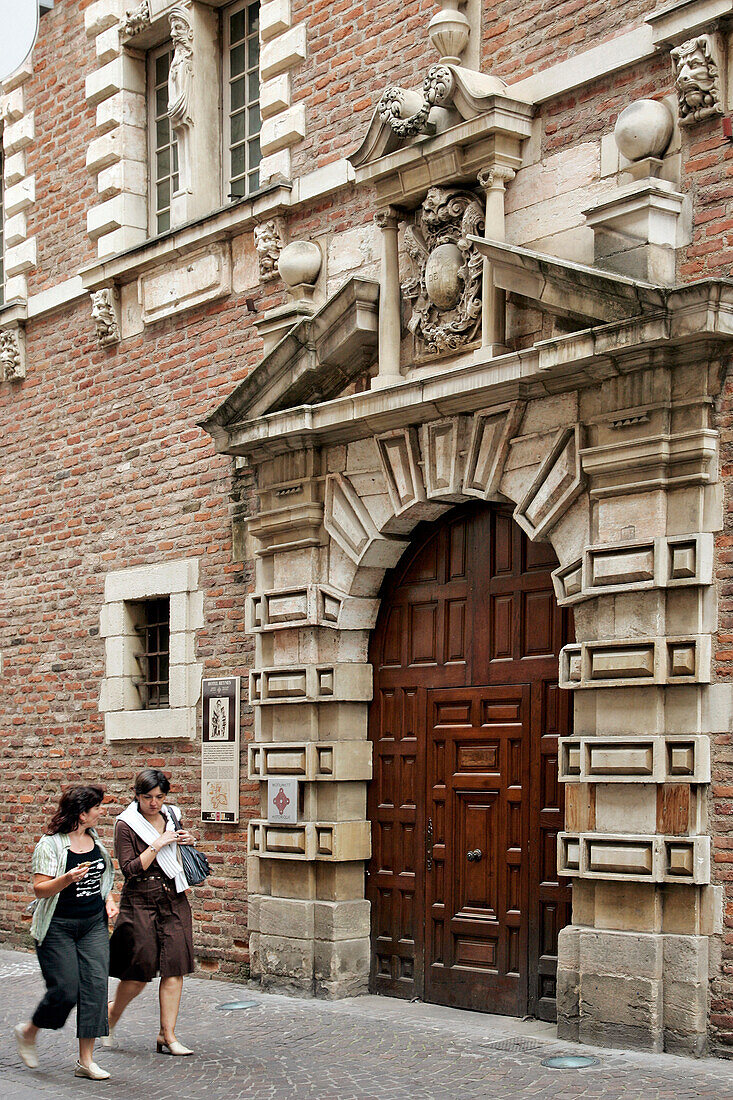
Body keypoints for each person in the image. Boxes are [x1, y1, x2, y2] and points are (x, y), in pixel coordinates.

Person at [14, 784, 118, 1081]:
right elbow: (40, 888)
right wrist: (67, 878)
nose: (101, 811)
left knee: (96, 987)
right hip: (57, 927)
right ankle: (29, 1031)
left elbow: (103, 877)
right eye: (97, 807)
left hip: (93, 924)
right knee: (65, 990)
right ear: (82, 813)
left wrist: (109, 900)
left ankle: (86, 1060)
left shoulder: (95, 840)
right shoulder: (51, 844)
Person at [107, 768, 197, 1056]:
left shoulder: (171, 816)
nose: (154, 803)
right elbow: (129, 869)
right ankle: (110, 1016)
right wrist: (157, 845)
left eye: (159, 797)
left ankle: (166, 1035)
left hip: (174, 897)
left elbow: (179, 853)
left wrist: (188, 840)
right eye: (148, 797)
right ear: (137, 795)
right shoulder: (126, 824)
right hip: (140, 901)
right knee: (137, 973)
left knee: (175, 969)